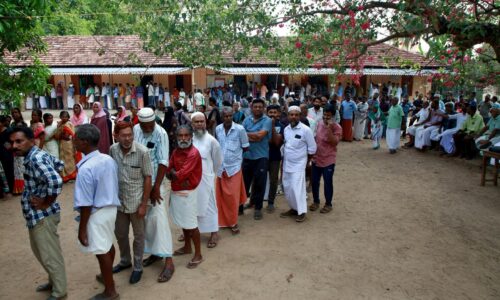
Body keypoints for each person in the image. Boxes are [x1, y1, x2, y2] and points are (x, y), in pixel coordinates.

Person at [9, 126, 67, 300]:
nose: (14, 146)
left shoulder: (36, 158)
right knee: (42, 252)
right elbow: (59, 164)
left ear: (31, 141)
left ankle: (59, 291)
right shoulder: (34, 155)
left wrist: (46, 201)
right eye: (12, 142)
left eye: (19, 141)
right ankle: (53, 282)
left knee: (49, 255)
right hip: (37, 215)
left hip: (43, 216)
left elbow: (56, 181)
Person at [73, 124, 120, 300]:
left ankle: (110, 291)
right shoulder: (107, 159)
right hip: (110, 209)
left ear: (85, 142)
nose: (74, 141)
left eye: (76, 139)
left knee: (101, 251)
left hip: (96, 213)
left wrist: (82, 229)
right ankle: (106, 276)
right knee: (107, 244)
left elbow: (86, 203)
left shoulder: (86, 169)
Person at [133, 108, 175, 282]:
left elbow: (164, 161)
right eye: (145, 126)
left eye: (151, 125)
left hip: (156, 183)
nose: (148, 128)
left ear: (154, 121)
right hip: (139, 183)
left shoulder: (161, 133)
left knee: (160, 220)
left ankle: (169, 262)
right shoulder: (135, 130)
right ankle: (155, 253)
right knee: (145, 221)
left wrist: (157, 187)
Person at [109, 122, 153, 284]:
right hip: (119, 203)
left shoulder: (142, 152)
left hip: (137, 203)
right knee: (120, 235)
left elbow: (148, 178)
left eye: (130, 135)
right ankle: (125, 261)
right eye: (123, 135)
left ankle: (138, 267)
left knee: (139, 236)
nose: (127, 138)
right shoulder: (112, 150)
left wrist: (143, 205)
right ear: (116, 136)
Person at [167, 125, 204, 268]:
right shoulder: (176, 152)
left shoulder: (193, 153)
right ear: (176, 138)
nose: (183, 138)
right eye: (180, 136)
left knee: (191, 224)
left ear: (191, 136)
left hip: (188, 193)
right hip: (178, 191)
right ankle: (187, 247)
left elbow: (179, 174)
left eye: (186, 135)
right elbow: (169, 170)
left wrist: (175, 175)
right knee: (183, 222)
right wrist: (174, 175)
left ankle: (198, 254)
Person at [215, 107, 249, 233]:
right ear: (222, 117)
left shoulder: (240, 129)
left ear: (233, 116)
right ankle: (222, 221)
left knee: (232, 197)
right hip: (220, 168)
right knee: (221, 196)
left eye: (230, 116)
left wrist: (235, 158)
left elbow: (245, 147)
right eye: (225, 116)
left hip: (234, 168)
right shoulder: (218, 129)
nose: (228, 118)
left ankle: (233, 222)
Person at [280, 106, 317, 222]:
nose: (294, 117)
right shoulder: (286, 129)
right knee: (288, 188)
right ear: (288, 116)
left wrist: (307, 162)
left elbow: (312, 148)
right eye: (291, 114)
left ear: (300, 116)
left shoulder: (306, 130)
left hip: (299, 164)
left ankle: (301, 211)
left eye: (296, 114)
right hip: (287, 164)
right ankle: (293, 208)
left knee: (297, 188)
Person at [191, 112, 222, 247]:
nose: (199, 124)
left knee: (209, 206)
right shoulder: (188, 138)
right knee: (192, 205)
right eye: (196, 122)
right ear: (192, 124)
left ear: (206, 123)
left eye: (201, 121)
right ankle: (191, 231)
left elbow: (217, 161)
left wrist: (209, 174)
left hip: (206, 178)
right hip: (191, 179)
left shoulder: (212, 141)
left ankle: (214, 232)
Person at [242, 98, 273, 220]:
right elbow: (241, 136)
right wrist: (253, 135)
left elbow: (260, 136)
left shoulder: (268, 120)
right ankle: (242, 205)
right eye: (255, 107)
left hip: (261, 157)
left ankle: (258, 208)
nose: (258, 109)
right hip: (247, 156)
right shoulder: (246, 120)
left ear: (264, 108)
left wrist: (247, 134)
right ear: (251, 108)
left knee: (260, 183)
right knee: (244, 183)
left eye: (260, 107)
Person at [310, 104, 341, 214]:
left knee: (328, 181)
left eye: (328, 116)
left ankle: (328, 204)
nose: (326, 118)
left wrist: (329, 128)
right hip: (317, 157)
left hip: (329, 159)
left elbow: (334, 142)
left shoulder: (337, 127)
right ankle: (316, 201)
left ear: (333, 116)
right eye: (324, 115)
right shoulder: (318, 124)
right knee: (314, 181)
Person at [266, 104, 285, 213]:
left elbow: (277, 143)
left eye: (274, 112)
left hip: (275, 157)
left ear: (278, 114)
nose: (272, 115)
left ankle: (271, 202)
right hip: (262, 156)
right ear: (267, 114)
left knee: (273, 180)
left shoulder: (281, 127)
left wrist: (272, 126)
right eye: (270, 112)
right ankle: (254, 201)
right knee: (259, 179)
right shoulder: (262, 124)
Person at [54, 111, 78, 182]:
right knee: (63, 158)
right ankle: (65, 175)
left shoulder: (68, 124)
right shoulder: (60, 124)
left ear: (68, 117)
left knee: (69, 158)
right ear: (60, 117)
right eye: (62, 117)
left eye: (66, 117)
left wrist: (61, 135)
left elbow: (67, 136)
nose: (64, 118)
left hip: (68, 144)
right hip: (62, 144)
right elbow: (57, 135)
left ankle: (71, 174)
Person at [10, 108, 28, 194]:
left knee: (22, 168)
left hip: (21, 149)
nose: (14, 114)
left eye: (16, 112)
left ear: (20, 114)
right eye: (13, 113)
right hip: (14, 149)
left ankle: (24, 187)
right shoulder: (12, 124)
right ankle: (18, 188)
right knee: (17, 169)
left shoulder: (23, 124)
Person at [0, 115, 14, 193]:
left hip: (7, 155)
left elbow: (11, 144)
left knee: (8, 171)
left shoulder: (8, 131)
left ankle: (10, 188)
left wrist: (5, 145)